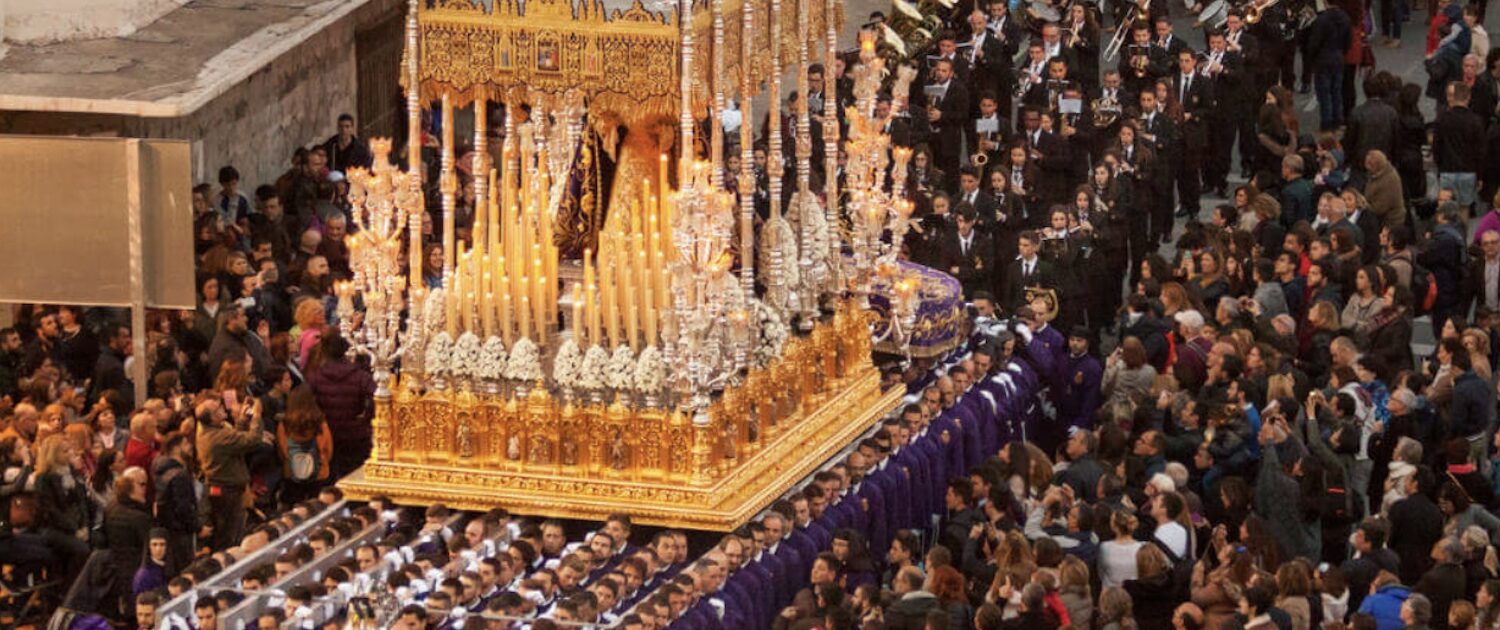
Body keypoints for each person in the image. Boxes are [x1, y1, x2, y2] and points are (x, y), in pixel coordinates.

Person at [305, 332, 375, 481]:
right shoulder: (359, 375)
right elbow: (377, 395)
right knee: (356, 478)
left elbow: (307, 402)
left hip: (328, 433)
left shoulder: (316, 377)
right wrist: (366, 417)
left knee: (331, 477)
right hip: (355, 433)